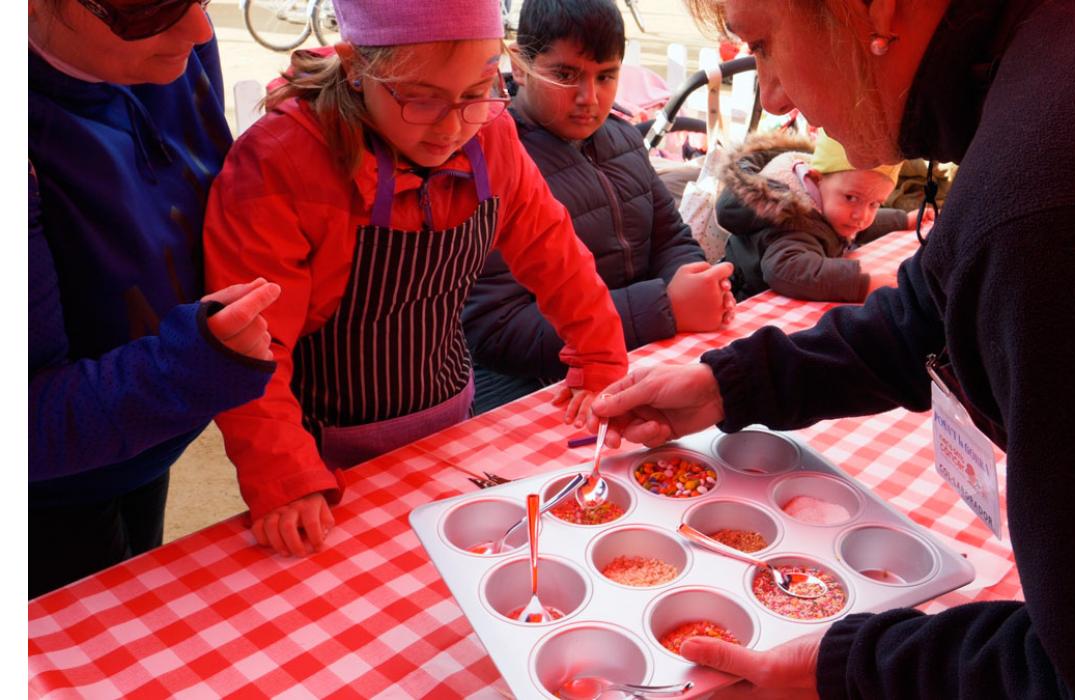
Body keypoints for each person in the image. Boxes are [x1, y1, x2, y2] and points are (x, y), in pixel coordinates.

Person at [591, 0, 1075, 697]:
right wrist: (725, 384)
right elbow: (931, 309)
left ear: (872, 10)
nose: (773, 96)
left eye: (763, 45)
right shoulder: (1055, 66)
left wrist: (854, 668)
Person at [203, 0, 629, 558]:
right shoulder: (279, 161)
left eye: (476, 92)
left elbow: (556, 254)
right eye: (422, 99)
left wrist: (600, 358)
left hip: (452, 419)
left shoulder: (491, 136)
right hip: (326, 449)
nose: (453, 127)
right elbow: (255, 344)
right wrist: (284, 477)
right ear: (356, 67)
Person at [28, 0, 279, 598]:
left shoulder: (166, 44)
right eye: (153, 7)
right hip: (48, 496)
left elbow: (196, 180)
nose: (196, 30)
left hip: (148, 432)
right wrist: (193, 367)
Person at [463, 0, 734, 413]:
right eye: (566, 74)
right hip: (538, 391)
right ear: (519, 65)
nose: (588, 98)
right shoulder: (494, 163)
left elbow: (669, 236)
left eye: (605, 76)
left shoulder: (623, 139)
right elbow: (498, 330)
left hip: (644, 359)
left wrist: (692, 277)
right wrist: (665, 305)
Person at [716, 130, 927, 302]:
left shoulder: (829, 204)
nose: (861, 215)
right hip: (743, 301)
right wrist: (861, 283)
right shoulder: (793, 220)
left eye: (874, 204)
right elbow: (787, 268)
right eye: (852, 198)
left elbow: (858, 226)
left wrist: (903, 219)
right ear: (816, 179)